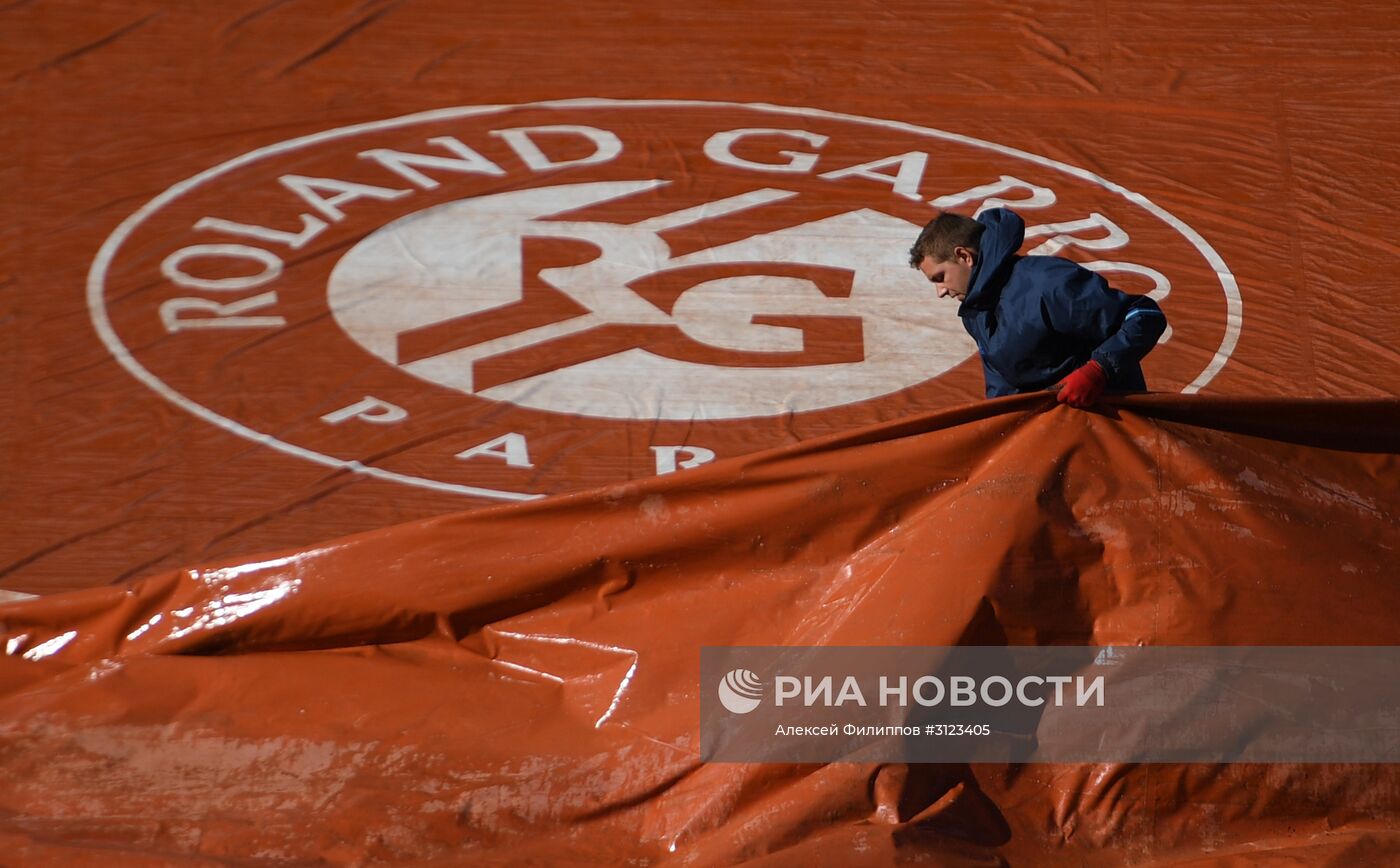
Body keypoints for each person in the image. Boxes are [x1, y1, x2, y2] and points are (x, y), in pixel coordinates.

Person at [909, 208, 1167, 408]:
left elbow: (1144, 316)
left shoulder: (1049, 284)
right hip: (1058, 430)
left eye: (939, 278)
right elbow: (1004, 380)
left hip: (1113, 417)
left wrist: (1099, 370)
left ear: (965, 256)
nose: (940, 292)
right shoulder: (976, 312)